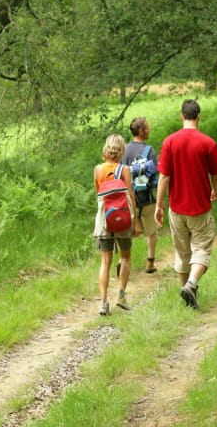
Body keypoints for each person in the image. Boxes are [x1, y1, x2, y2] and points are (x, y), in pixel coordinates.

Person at [155, 99, 217, 309]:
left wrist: (159, 205)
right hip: (200, 208)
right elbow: (216, 173)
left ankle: (187, 292)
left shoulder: (170, 142)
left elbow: (164, 177)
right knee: (201, 249)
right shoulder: (207, 142)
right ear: (199, 116)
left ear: (181, 116)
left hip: (176, 208)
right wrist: (215, 190)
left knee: (182, 252)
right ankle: (191, 284)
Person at [93, 134, 140, 315]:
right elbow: (130, 197)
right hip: (123, 220)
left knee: (105, 262)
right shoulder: (125, 170)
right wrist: (135, 222)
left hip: (104, 220)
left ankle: (104, 302)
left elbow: (98, 194)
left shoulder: (98, 170)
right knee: (125, 258)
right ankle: (121, 296)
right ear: (121, 150)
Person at [121, 117, 159, 274]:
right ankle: (150, 263)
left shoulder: (124, 149)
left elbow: (121, 173)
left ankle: (123, 262)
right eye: (147, 128)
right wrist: (160, 201)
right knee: (151, 230)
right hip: (147, 197)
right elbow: (155, 175)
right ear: (142, 131)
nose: (149, 130)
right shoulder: (149, 150)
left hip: (130, 196)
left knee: (129, 230)